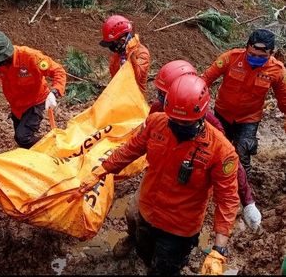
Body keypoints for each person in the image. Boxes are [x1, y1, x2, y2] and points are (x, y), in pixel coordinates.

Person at [81, 75, 240, 275]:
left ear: (202, 116)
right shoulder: (157, 123)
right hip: (147, 213)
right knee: (144, 253)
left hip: (179, 230)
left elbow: (227, 200)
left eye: (185, 123)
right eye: (174, 120)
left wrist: (219, 249)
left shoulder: (221, 151)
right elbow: (130, 150)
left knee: (164, 270)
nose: (177, 126)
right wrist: (102, 171)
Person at [150, 60, 261, 231]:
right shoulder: (157, 109)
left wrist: (247, 201)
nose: (163, 100)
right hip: (159, 176)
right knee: (137, 214)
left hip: (189, 184)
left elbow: (229, 162)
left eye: (165, 96)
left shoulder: (210, 125)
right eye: (161, 94)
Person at [201, 28, 286, 176]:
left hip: (249, 118)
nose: (256, 58)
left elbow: (284, 98)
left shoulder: (277, 71)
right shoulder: (230, 58)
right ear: (246, 47)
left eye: (262, 56)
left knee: (242, 152)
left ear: (271, 54)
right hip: (223, 113)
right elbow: (206, 79)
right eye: (252, 54)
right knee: (218, 149)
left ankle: (241, 186)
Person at [0, 30, 67, 149]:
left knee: (23, 137)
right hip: (16, 105)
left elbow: (58, 71)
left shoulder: (31, 57)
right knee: (21, 139)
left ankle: (52, 149)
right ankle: (34, 155)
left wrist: (54, 92)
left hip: (35, 101)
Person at [99, 15, 150, 97]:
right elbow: (114, 80)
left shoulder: (141, 53)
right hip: (120, 97)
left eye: (112, 43)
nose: (111, 47)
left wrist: (130, 56)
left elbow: (138, 76)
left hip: (136, 100)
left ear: (122, 40)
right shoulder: (117, 55)